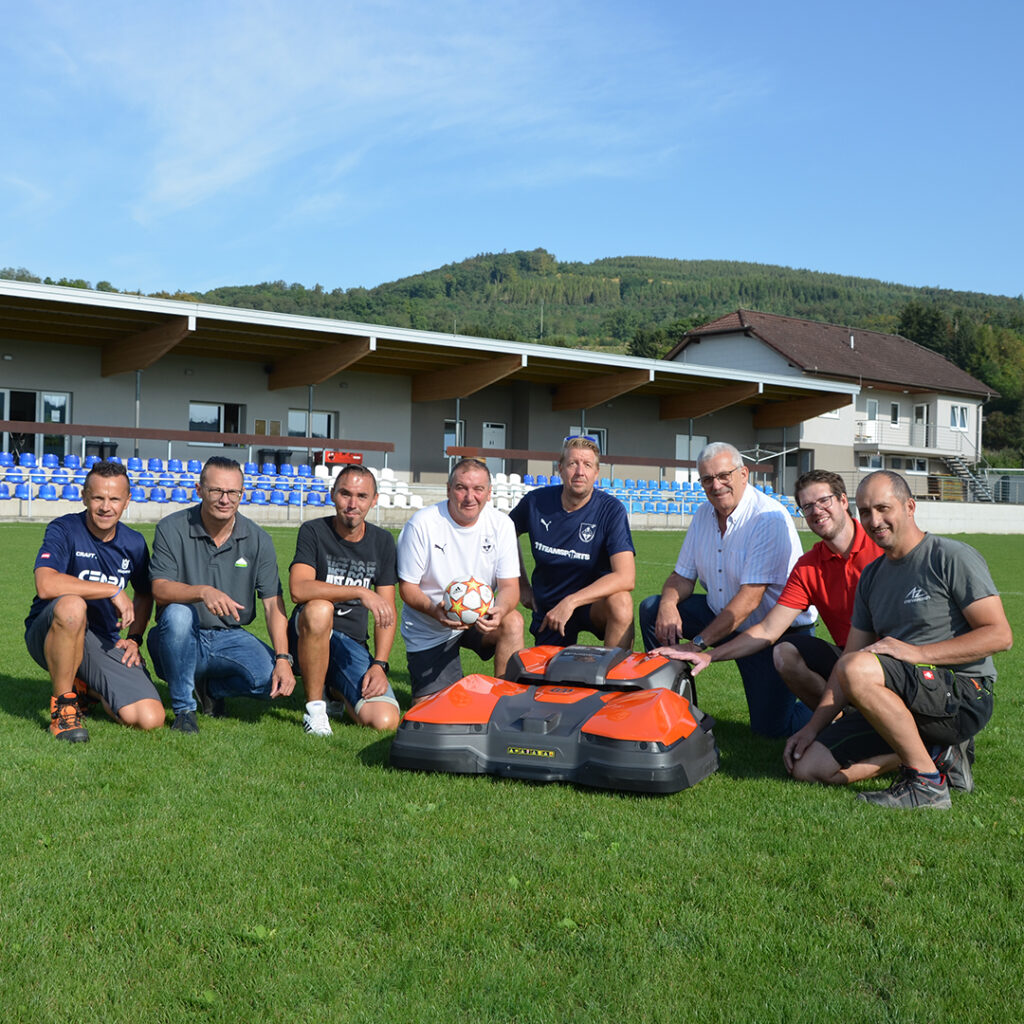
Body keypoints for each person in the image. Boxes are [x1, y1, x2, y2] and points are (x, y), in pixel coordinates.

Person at [783, 471, 1013, 809]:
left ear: (909, 506)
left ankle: (926, 785)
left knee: (859, 668)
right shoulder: (873, 577)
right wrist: (812, 726)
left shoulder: (949, 556)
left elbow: (1000, 635)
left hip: (964, 694)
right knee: (809, 768)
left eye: (882, 508)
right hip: (900, 697)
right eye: (864, 512)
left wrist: (915, 653)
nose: (874, 521)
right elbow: (850, 656)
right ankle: (935, 753)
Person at [656, 470, 882, 709]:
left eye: (824, 501)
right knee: (785, 653)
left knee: (857, 668)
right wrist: (708, 655)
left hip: (892, 658)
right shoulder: (808, 566)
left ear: (843, 501)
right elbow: (768, 629)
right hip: (847, 656)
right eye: (807, 506)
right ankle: (839, 720)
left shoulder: (881, 549)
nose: (816, 511)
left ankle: (853, 719)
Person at [638, 441, 815, 737]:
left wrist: (698, 643)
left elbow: (750, 598)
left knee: (771, 730)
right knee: (652, 609)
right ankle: (670, 707)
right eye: (707, 479)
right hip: (720, 614)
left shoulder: (767, 517)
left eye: (724, 475)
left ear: (744, 474)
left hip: (770, 631)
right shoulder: (702, 515)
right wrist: (668, 604)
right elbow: (681, 577)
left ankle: (832, 707)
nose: (716, 485)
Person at [147, 456, 296, 733]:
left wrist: (283, 659)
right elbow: (159, 588)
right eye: (216, 490)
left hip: (231, 636)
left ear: (242, 494)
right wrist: (202, 592)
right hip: (181, 634)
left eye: (233, 492)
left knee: (269, 681)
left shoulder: (259, 539)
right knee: (178, 613)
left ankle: (212, 688)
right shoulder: (171, 528)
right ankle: (184, 711)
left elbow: (273, 606)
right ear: (199, 490)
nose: (225, 499)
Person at [25, 460, 165, 742]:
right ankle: (64, 707)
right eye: (98, 497)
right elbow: (45, 584)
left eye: (114, 499)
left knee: (149, 718)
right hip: (49, 630)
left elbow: (145, 592)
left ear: (127, 501)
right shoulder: (64, 529)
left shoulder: (134, 543)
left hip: (101, 638)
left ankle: (87, 687)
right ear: (84, 496)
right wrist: (110, 590)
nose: (105, 506)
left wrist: (134, 638)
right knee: (73, 606)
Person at [397, 458, 523, 702]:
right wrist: (435, 612)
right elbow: (407, 588)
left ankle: (505, 702)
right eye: (461, 488)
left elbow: (509, 587)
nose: (469, 497)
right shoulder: (422, 524)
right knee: (436, 711)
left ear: (489, 493)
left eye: (478, 489)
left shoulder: (502, 525)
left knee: (513, 621)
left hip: (480, 619)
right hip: (430, 626)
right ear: (448, 489)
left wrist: (501, 609)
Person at [288, 465, 399, 735]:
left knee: (384, 720)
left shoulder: (383, 541)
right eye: (345, 494)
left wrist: (379, 664)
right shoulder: (313, 531)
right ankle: (315, 710)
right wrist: (360, 592)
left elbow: (387, 612)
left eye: (362, 496)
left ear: (374, 500)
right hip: (307, 630)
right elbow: (298, 589)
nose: (352, 504)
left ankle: (334, 687)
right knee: (319, 609)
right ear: (332, 494)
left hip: (351, 643)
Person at [509, 435, 635, 649]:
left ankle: (614, 680)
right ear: (560, 468)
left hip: (593, 605)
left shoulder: (611, 510)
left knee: (621, 603)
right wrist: (520, 584)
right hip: (550, 608)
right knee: (546, 676)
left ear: (596, 473)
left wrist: (572, 601)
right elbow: (505, 534)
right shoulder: (536, 502)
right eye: (572, 464)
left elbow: (626, 577)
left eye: (587, 465)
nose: (579, 472)